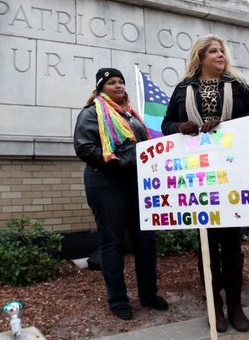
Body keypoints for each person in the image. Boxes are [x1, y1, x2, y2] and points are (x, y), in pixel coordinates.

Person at [161, 34, 249, 332]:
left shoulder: (238, 85)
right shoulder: (182, 88)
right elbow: (166, 124)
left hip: (232, 171)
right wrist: (181, 126)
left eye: (222, 51)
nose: (221, 55)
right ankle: (213, 305)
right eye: (214, 51)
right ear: (200, 57)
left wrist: (229, 128)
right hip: (198, 175)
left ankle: (235, 304)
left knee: (231, 241)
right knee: (207, 241)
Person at [74, 67, 168, 320]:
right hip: (106, 183)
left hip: (138, 184)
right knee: (112, 242)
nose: (118, 86)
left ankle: (149, 295)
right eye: (111, 82)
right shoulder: (92, 113)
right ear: (101, 88)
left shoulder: (132, 116)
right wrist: (117, 163)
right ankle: (118, 300)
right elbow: (84, 147)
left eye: (121, 82)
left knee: (146, 241)